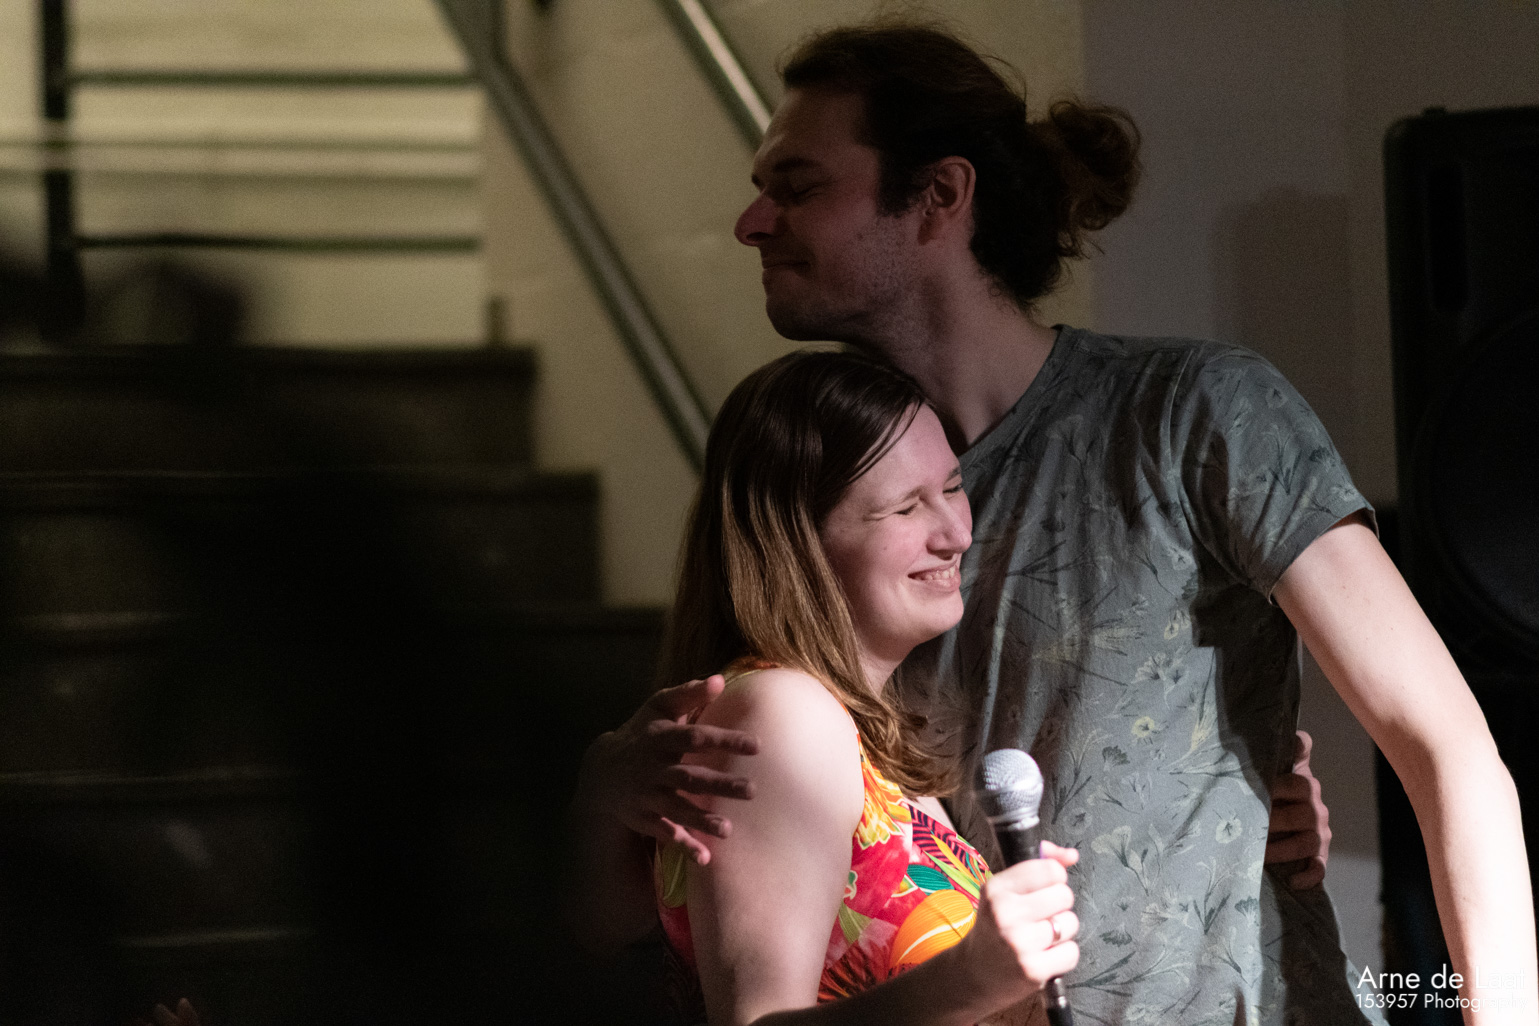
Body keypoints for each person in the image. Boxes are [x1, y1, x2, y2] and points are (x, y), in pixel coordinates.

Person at [575, 20, 1536, 1026]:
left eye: (798, 184)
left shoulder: (1193, 410)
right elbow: (696, 912)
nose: (750, 222)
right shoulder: (814, 493)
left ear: (938, 196)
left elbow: (1446, 746)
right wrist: (607, 806)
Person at [651, 347, 1081, 1025]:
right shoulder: (783, 713)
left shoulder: (852, 729)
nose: (956, 534)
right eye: (905, 508)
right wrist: (969, 978)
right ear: (800, 543)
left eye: (952, 487)